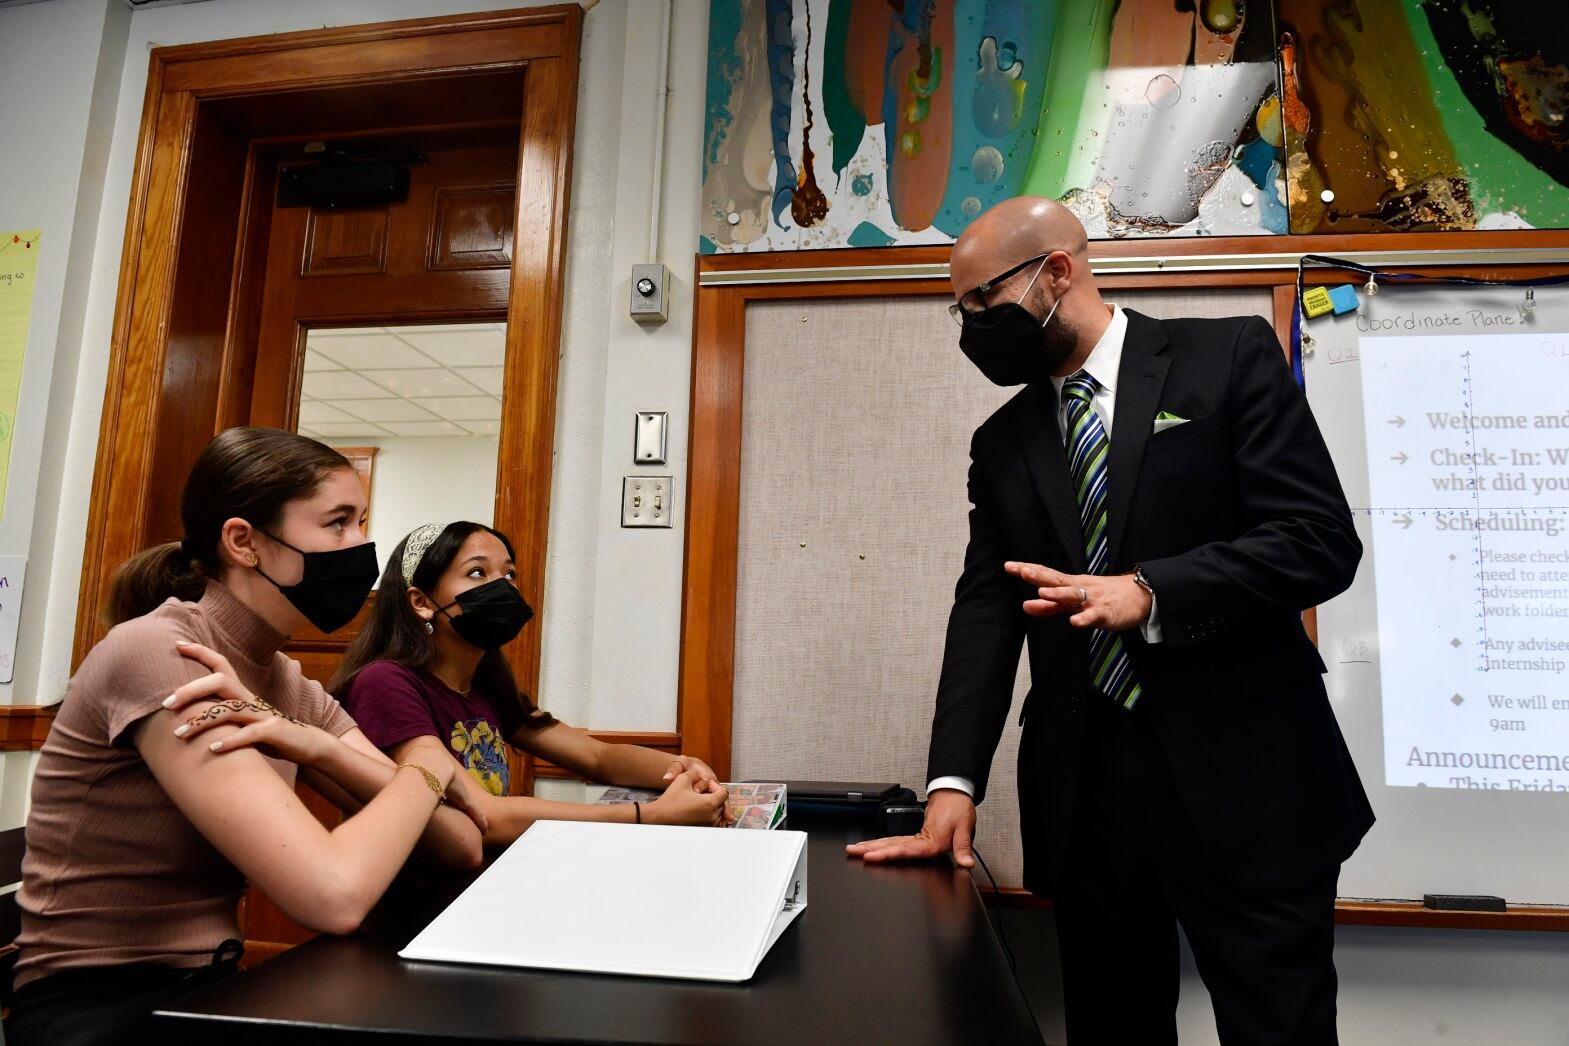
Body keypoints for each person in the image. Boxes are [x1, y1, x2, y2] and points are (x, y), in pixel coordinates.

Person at [848, 197, 1373, 1045]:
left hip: (1248, 783)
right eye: (960, 310)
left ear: (1057, 271)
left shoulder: (1226, 357)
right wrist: (951, 783)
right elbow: (986, 609)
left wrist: (1152, 590)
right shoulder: (1002, 441)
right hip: (1088, 799)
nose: (972, 325)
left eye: (983, 299)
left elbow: (1317, 542)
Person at [6, 428, 487, 1046]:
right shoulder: (164, 652)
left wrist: (321, 747)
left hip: (206, 988)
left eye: (362, 522)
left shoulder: (283, 680)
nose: (360, 545)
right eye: (338, 523)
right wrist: (429, 765)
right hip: (95, 1010)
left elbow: (460, 843)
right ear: (244, 542)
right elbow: (334, 894)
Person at [335, 520, 728, 842]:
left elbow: (596, 756)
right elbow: (484, 817)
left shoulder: (484, 683)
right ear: (420, 601)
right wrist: (648, 816)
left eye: (509, 574)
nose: (503, 586)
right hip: (425, 901)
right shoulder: (385, 683)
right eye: (477, 572)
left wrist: (681, 767)